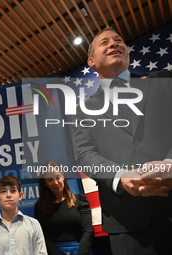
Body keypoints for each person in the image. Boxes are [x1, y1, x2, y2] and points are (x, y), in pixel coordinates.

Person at [72, 27, 172, 255]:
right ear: (91, 61)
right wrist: (120, 176)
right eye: (105, 42)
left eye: (118, 40)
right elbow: (84, 154)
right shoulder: (84, 110)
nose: (114, 44)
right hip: (127, 222)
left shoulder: (164, 81)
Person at [34, 160, 93, 255]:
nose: (56, 182)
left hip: (81, 251)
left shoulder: (80, 200)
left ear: (63, 176)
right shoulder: (40, 207)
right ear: (45, 183)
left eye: (58, 177)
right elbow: (44, 236)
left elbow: (87, 231)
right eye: (50, 180)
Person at [0, 175, 47, 255]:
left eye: (13, 191)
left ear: (20, 195)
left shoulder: (33, 225)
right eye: (3, 191)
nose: (8, 195)